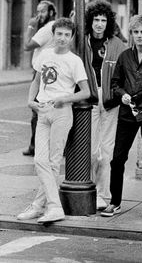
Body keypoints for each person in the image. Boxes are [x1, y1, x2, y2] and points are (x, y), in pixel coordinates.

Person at [17, 18, 90, 223]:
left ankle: (42, 207)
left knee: (53, 162)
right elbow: (37, 80)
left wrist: (64, 98)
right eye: (59, 34)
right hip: (43, 111)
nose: (62, 38)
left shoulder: (74, 61)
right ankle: (50, 206)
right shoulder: (46, 54)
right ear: (54, 34)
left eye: (67, 35)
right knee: (40, 160)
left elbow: (85, 92)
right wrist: (30, 101)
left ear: (71, 37)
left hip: (62, 112)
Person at [101, 14, 142, 218]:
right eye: (135, 32)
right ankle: (115, 202)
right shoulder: (124, 56)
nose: (139, 36)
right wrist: (122, 96)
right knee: (118, 158)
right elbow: (115, 83)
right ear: (130, 34)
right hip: (127, 114)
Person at [84, 0, 126, 211]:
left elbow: (125, 71)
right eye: (95, 19)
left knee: (106, 150)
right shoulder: (82, 43)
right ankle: (89, 188)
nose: (99, 23)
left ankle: (103, 193)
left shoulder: (117, 44)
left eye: (103, 20)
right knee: (91, 149)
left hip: (110, 100)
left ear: (108, 22)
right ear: (89, 21)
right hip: (89, 98)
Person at [23, 0, 57, 156]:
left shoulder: (47, 29)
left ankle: (35, 147)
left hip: (42, 72)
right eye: (37, 11)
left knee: (37, 109)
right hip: (49, 71)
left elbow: (27, 45)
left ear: (50, 12)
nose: (38, 15)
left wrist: (30, 27)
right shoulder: (52, 27)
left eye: (42, 11)